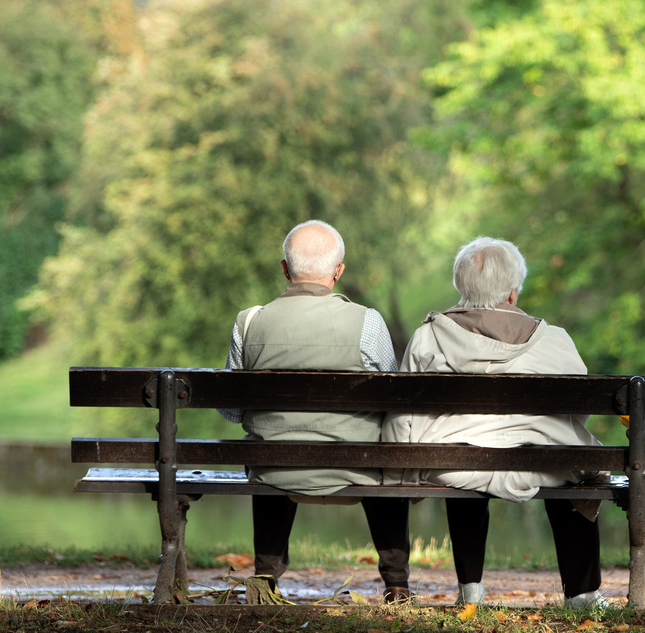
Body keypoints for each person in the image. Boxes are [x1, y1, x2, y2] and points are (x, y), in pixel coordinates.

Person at [382, 237, 608, 609]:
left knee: (464, 455)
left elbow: (404, 411)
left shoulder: (428, 336)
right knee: (573, 468)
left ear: (461, 288)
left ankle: (470, 591)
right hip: (541, 464)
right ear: (513, 294)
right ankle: (582, 594)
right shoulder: (554, 340)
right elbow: (577, 411)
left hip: (453, 465)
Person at [219, 220, 412, 604]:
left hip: (274, 467)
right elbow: (392, 402)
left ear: (285, 269)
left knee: (269, 445)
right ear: (338, 272)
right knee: (386, 451)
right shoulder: (368, 322)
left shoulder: (249, 322)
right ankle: (396, 584)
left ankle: (265, 579)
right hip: (357, 464)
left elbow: (232, 411)